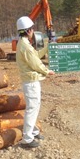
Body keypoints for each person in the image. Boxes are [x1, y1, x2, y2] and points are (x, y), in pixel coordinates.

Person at [16, 16, 55, 148]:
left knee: (35, 106)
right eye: (32, 29)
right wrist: (46, 71)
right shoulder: (25, 46)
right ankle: (27, 138)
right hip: (30, 82)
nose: (33, 31)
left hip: (32, 81)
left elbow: (35, 56)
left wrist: (48, 48)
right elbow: (35, 64)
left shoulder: (24, 43)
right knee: (32, 108)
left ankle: (33, 130)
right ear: (27, 31)